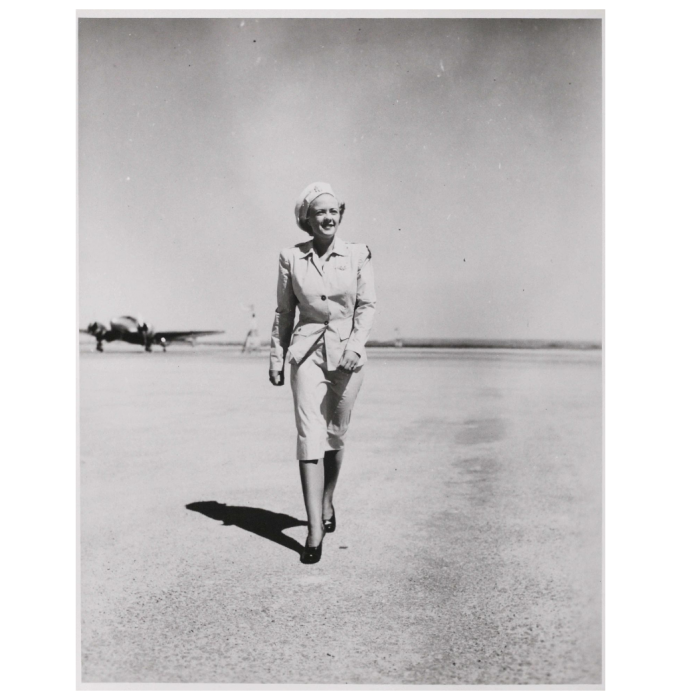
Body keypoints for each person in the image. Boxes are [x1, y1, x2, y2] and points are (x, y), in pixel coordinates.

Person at [269, 182, 376, 564]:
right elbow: (284, 311)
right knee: (309, 434)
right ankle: (314, 528)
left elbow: (366, 305)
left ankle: (327, 498)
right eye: (320, 212)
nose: (328, 218)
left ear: (340, 216)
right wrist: (277, 358)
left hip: (348, 356)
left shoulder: (358, 254)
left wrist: (356, 345)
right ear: (307, 220)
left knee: (335, 434)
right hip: (306, 353)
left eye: (334, 211)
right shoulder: (290, 258)